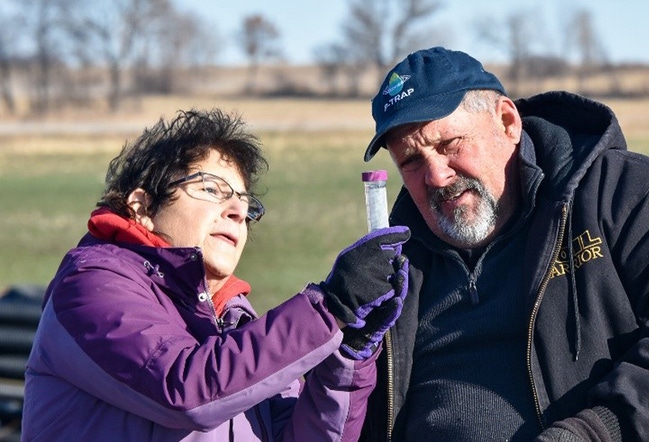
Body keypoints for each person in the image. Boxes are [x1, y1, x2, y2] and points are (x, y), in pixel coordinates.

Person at [357, 47, 649, 441]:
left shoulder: (638, 199)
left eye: (450, 145)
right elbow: (342, 397)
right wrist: (337, 316)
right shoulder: (391, 271)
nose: (436, 176)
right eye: (411, 162)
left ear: (507, 121)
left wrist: (597, 431)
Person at [22, 109, 411, 441]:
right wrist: (329, 306)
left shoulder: (235, 320)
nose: (237, 211)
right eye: (212, 189)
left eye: (245, 203)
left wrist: (346, 352)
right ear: (142, 206)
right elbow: (185, 388)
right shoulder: (92, 284)